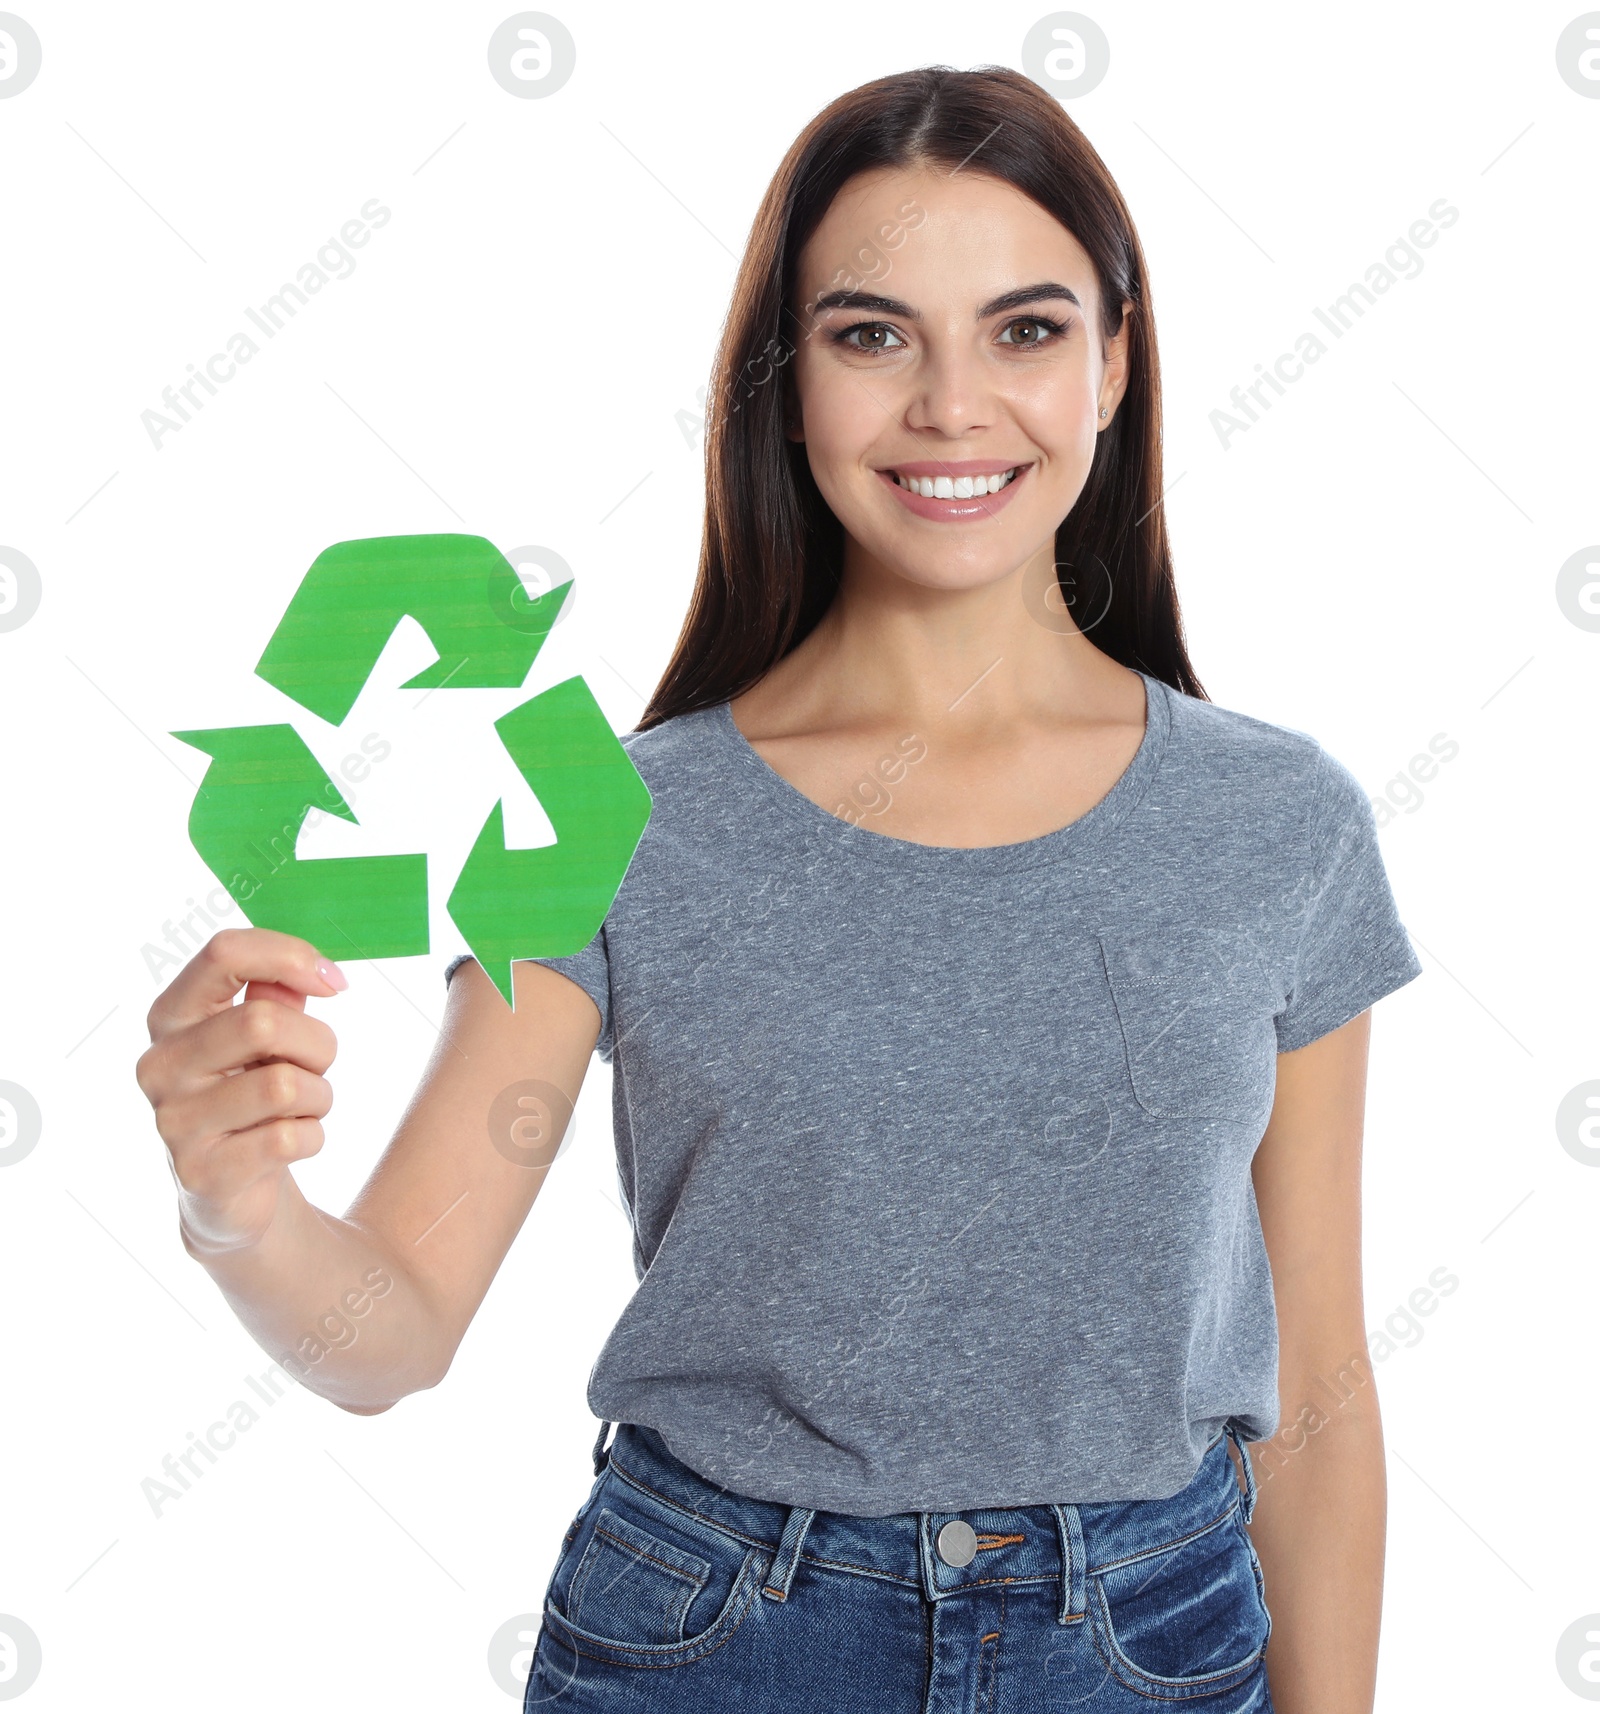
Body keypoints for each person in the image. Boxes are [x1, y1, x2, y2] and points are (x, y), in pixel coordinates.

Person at [137, 65, 1423, 1714]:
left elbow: (1315, 1389)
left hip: (1147, 1650)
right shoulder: (607, 818)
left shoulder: (1275, 823)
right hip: (715, 1644)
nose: (954, 404)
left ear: (1116, 358)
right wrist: (233, 1207)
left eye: (1024, 329)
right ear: (784, 382)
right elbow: (388, 1326)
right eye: (872, 335)